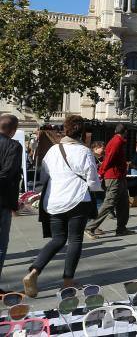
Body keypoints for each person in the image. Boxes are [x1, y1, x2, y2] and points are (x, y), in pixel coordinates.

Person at [23, 116, 101, 297]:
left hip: (54, 200)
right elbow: (92, 180)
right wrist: (97, 187)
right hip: (77, 199)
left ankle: (34, 271)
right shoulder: (84, 151)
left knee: (57, 239)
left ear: (65, 130)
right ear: (81, 132)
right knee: (75, 240)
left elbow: (44, 177)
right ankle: (67, 281)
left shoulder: (52, 151)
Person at [86, 124, 132, 238]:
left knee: (123, 203)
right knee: (109, 203)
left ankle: (121, 228)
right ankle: (90, 227)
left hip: (119, 176)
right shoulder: (117, 142)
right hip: (113, 177)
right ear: (125, 131)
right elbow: (109, 159)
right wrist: (101, 172)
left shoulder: (117, 141)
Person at [0, 114, 22, 293]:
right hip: (2, 201)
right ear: (13, 130)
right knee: (1, 244)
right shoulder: (13, 146)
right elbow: (8, 174)